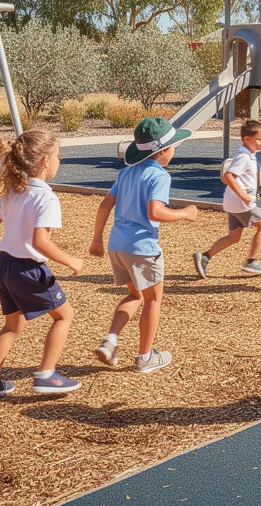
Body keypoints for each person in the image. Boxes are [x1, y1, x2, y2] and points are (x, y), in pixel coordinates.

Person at [0, 129, 85, 399]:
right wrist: (71, 260)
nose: (59, 160)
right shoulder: (46, 197)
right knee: (64, 316)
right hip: (28, 270)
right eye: (58, 155)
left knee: (12, 327)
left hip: (4, 266)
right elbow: (40, 242)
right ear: (45, 161)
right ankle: (46, 375)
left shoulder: (15, 191)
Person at [90, 117, 197, 374]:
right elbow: (155, 212)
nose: (175, 150)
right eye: (173, 146)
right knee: (153, 300)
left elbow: (105, 205)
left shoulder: (126, 172)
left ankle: (111, 340)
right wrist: (186, 213)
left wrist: (96, 239)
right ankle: (145, 356)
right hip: (141, 247)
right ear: (163, 151)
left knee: (135, 295)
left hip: (118, 245)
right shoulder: (159, 176)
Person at [195, 119, 261, 278]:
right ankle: (252, 261)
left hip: (233, 202)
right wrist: (244, 195)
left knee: (233, 237)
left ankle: (205, 257)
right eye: (259, 139)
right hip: (242, 202)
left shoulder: (248, 155)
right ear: (246, 139)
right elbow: (228, 176)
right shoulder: (244, 156)